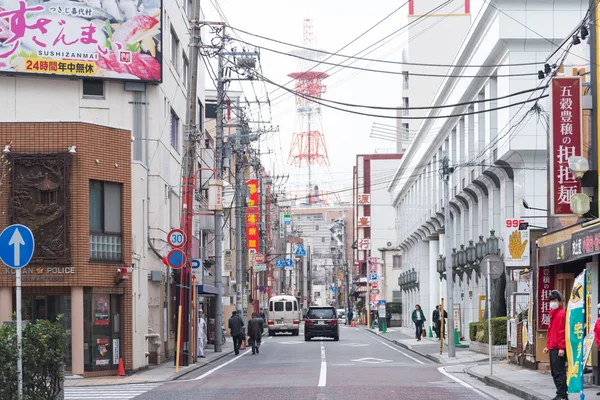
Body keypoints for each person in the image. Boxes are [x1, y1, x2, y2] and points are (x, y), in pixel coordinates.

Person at [543, 290, 568, 400]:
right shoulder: (553, 314)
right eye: (551, 301)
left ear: (560, 301)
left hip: (558, 348)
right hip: (553, 347)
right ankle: (561, 394)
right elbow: (551, 332)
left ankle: (562, 394)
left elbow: (562, 332)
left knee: (559, 372)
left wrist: (562, 348)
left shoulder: (561, 314)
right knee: (555, 372)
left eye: (555, 300)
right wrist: (548, 346)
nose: (552, 302)